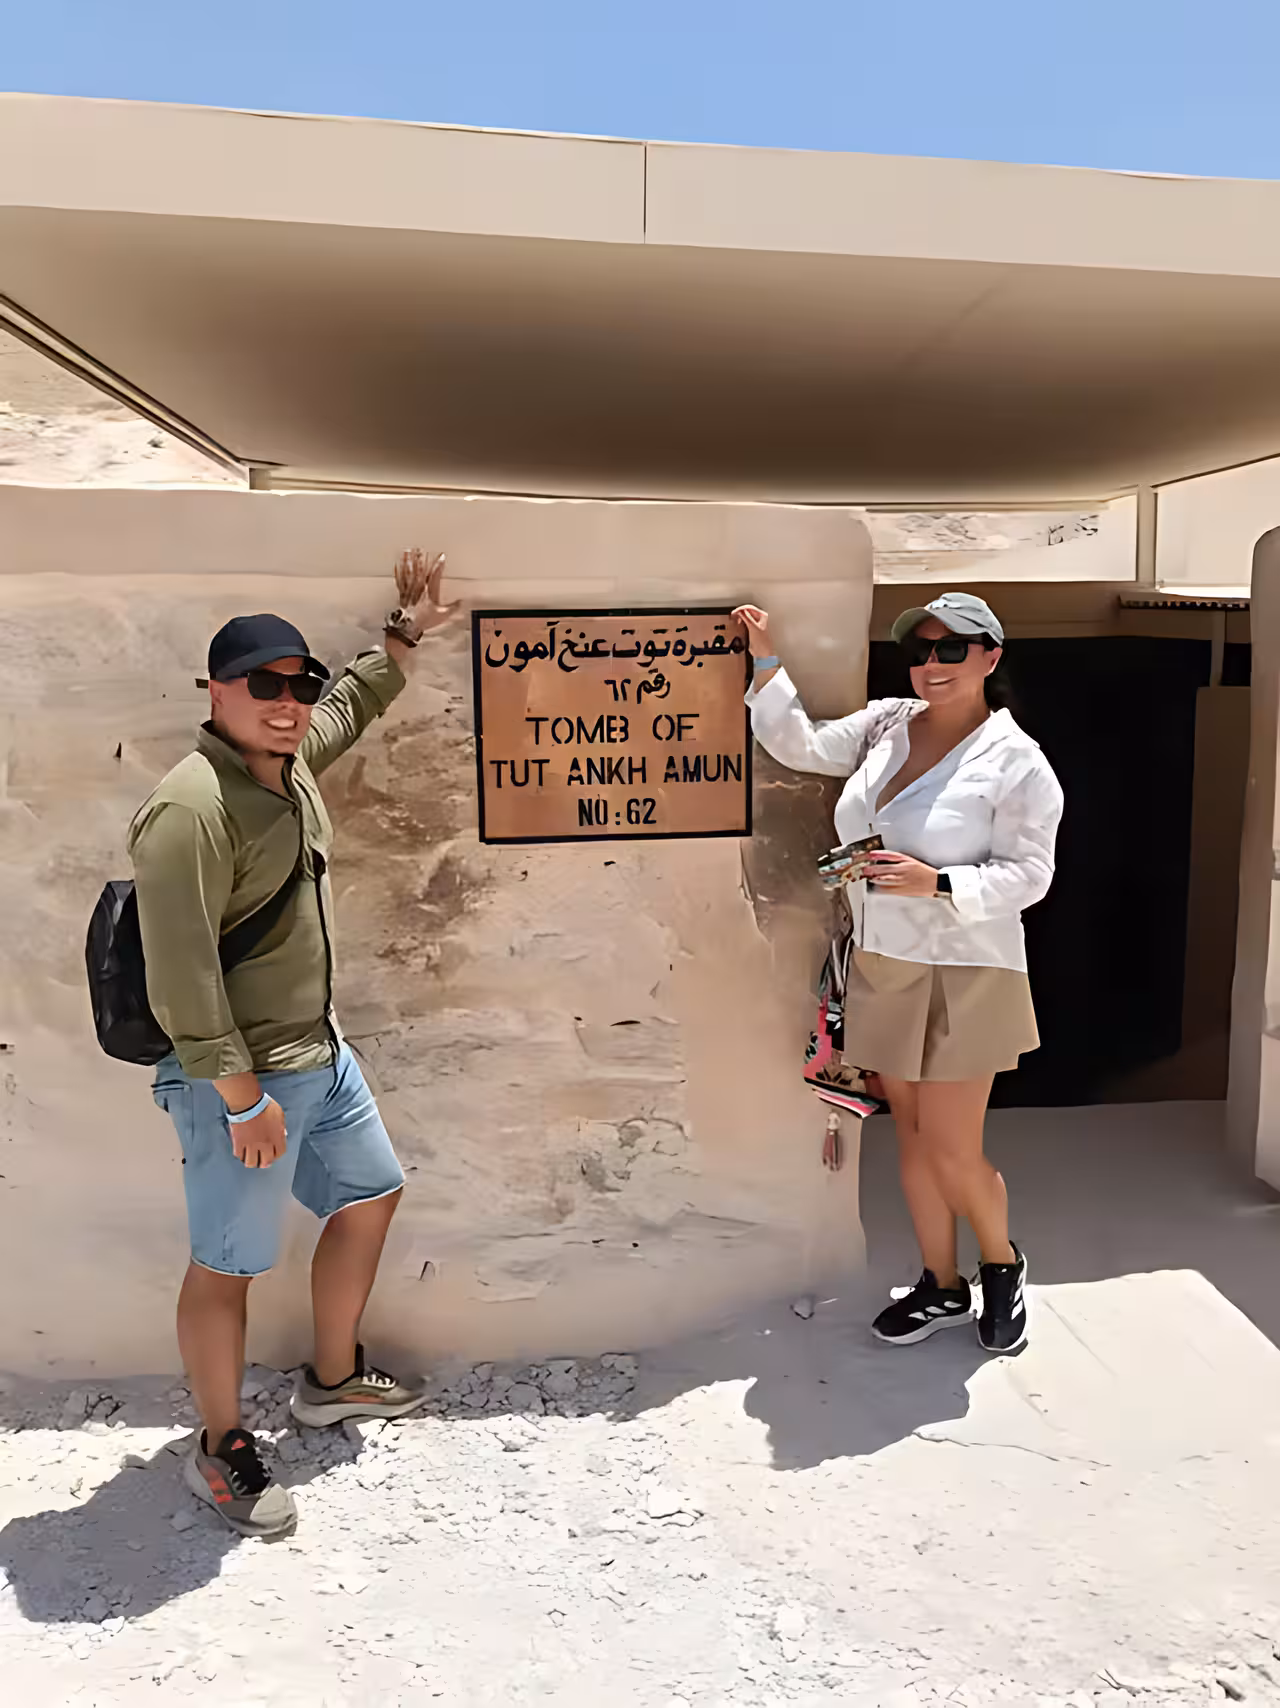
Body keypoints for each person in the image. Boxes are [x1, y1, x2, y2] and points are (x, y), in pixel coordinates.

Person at [130, 548, 458, 1538]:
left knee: (370, 1193)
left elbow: (346, 710)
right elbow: (180, 982)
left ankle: (329, 1378)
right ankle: (221, 1445)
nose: (287, 700)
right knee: (226, 1265)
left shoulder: (289, 758)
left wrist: (402, 634)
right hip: (239, 1079)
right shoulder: (188, 809)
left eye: (296, 682)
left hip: (319, 1053)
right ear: (216, 692)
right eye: (264, 684)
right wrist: (241, 1099)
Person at [733, 592, 1063, 1355]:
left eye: (953, 650)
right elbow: (803, 744)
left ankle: (1002, 1263)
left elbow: (1032, 874)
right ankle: (940, 1283)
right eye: (921, 651)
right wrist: (766, 661)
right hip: (885, 960)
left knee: (952, 1145)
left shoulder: (1017, 761)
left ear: (990, 657)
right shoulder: (887, 723)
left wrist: (941, 884)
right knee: (911, 1137)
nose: (932, 665)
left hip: (966, 969)